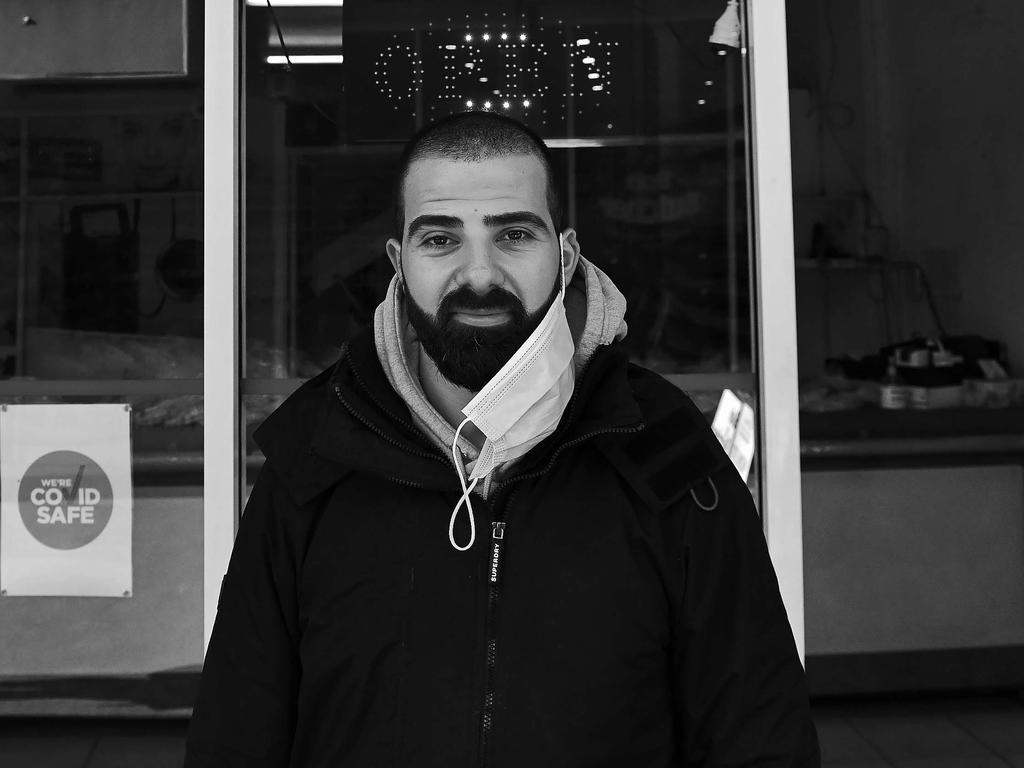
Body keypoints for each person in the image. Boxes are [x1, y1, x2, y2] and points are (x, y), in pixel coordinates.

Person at [185, 112, 820, 767]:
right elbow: (238, 725)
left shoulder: (663, 451)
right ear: (400, 264)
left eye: (514, 234)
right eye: (441, 239)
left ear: (566, 255)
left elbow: (756, 727)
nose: (479, 274)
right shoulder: (317, 451)